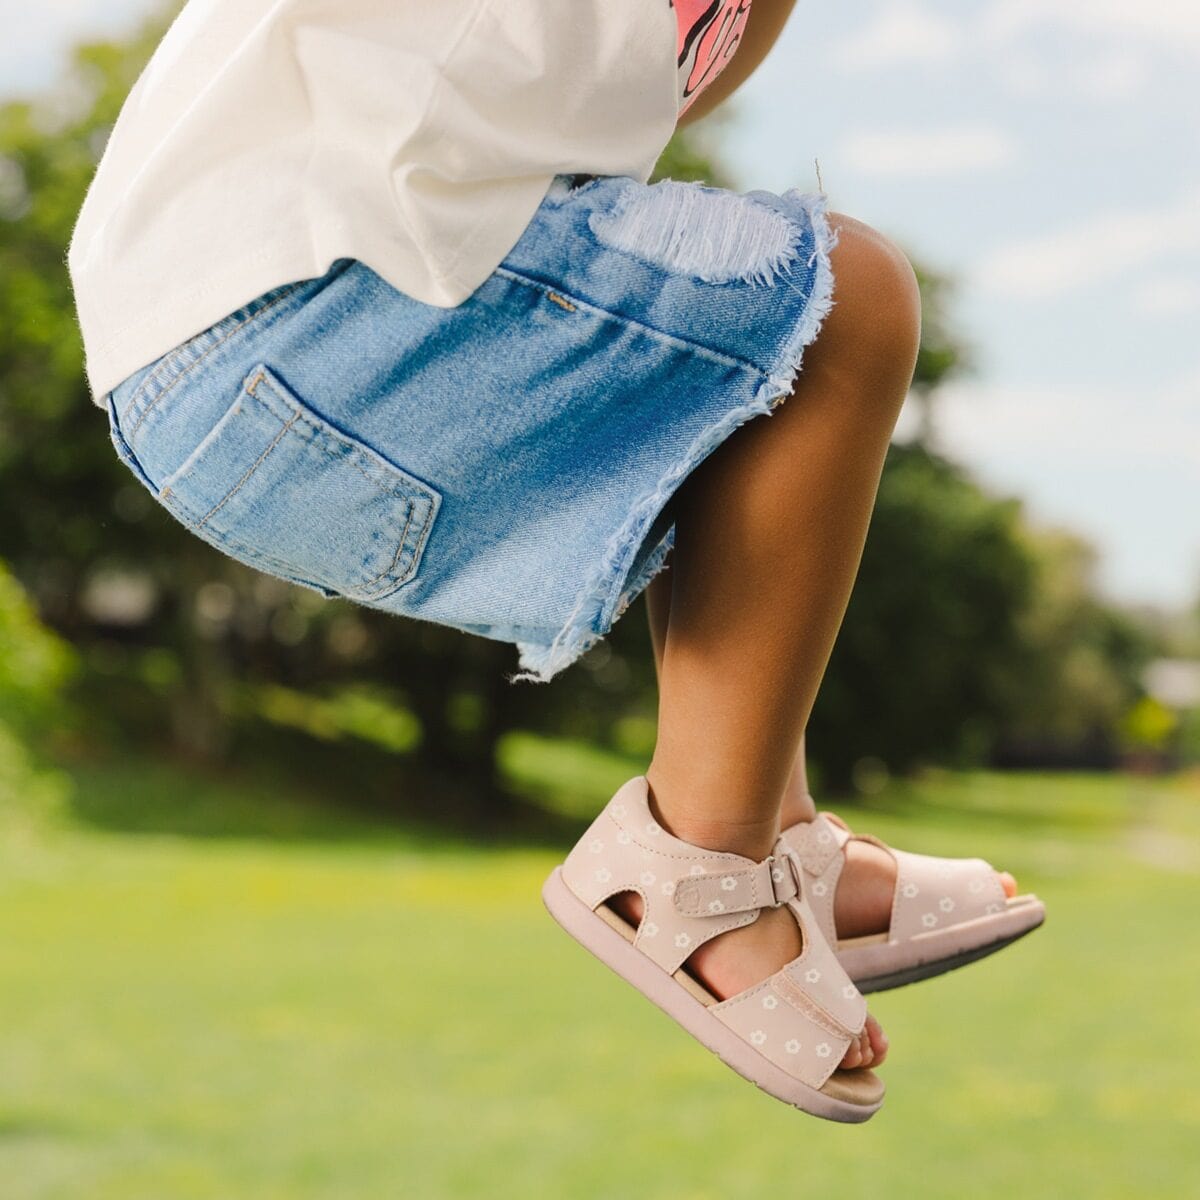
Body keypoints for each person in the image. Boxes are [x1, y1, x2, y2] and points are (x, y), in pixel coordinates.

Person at [69, 0, 1044, 1123]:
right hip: (300, 305)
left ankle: (770, 840)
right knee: (843, 300)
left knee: (724, 377)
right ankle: (703, 863)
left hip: (236, 369)